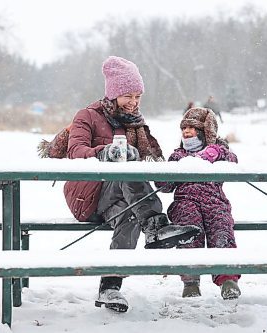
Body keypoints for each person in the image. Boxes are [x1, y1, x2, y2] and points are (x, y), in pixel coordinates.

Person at [63, 56, 201, 313]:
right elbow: (75, 151)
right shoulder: (87, 116)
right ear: (113, 93)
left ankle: (110, 287)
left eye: (138, 96)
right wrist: (107, 153)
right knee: (125, 166)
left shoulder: (134, 124)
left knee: (131, 215)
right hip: (87, 193)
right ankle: (156, 225)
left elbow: (152, 159)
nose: (134, 102)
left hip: (122, 197)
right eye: (128, 95)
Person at [156, 107, 241, 300]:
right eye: (184, 128)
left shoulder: (219, 152)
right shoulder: (178, 155)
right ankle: (191, 280)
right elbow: (165, 187)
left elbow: (234, 162)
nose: (186, 131)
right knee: (189, 229)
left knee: (221, 231)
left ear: (205, 132)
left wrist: (217, 152)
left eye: (192, 128)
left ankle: (228, 279)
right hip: (186, 201)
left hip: (215, 201)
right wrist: (162, 172)